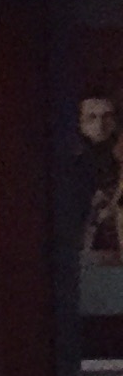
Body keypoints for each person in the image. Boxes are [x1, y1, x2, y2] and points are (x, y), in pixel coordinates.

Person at [82, 92, 120, 262]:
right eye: (92, 117)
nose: (100, 125)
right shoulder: (70, 164)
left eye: (107, 117)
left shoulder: (118, 156)